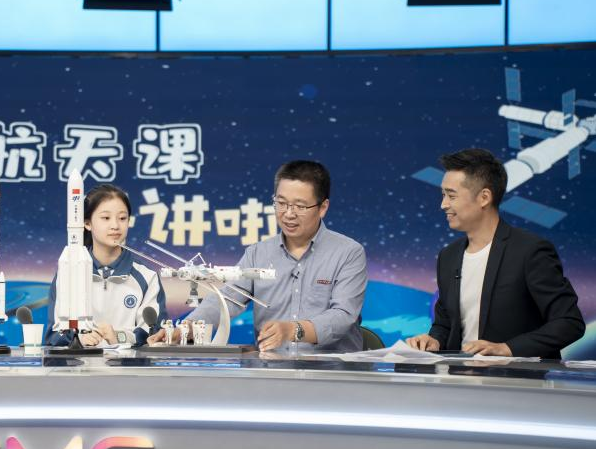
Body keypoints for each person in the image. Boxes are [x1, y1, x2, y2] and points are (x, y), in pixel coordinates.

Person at [149, 160, 367, 352]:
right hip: (272, 369)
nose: (288, 214)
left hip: (332, 369)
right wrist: (184, 329)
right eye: (281, 203)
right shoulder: (257, 253)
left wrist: (293, 330)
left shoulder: (348, 253)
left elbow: (343, 315)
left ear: (323, 207)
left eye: (300, 206)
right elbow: (227, 299)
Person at [406, 148, 584, 359]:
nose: (443, 205)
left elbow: (569, 322)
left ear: (484, 197)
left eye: (451, 196)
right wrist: (434, 340)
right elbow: (444, 323)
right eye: (443, 195)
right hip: (457, 375)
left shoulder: (530, 250)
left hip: (515, 377)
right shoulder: (448, 256)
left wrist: (507, 348)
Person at [46, 184, 165, 347]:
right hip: (79, 363)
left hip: (130, 363)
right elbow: (54, 335)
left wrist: (118, 336)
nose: (115, 225)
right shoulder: (69, 273)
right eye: (106, 218)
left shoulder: (147, 276)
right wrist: (78, 339)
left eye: (122, 218)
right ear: (87, 223)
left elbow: (155, 335)